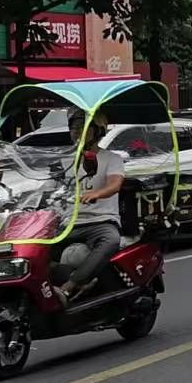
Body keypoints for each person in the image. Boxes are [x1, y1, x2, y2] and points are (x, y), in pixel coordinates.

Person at [55, 111, 128, 305]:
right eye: (73, 128)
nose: (76, 132)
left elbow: (115, 184)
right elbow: (49, 187)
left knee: (111, 240)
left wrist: (98, 193)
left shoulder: (111, 158)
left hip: (101, 220)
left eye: (83, 128)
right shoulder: (65, 160)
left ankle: (70, 285)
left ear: (98, 131)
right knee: (37, 247)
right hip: (70, 222)